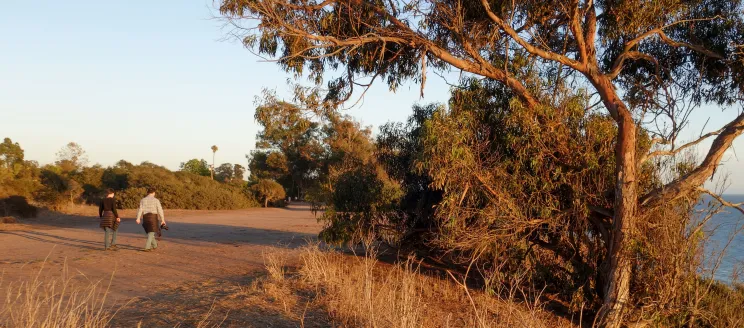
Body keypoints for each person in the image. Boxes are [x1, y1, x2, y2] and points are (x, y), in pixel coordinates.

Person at [135, 187, 167, 252]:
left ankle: (154, 245)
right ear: (154, 193)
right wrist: (162, 219)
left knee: (150, 232)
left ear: (147, 192)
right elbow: (160, 210)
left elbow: (140, 209)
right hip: (153, 217)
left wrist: (138, 218)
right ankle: (147, 247)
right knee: (151, 232)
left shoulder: (143, 200)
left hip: (145, 217)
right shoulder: (156, 200)